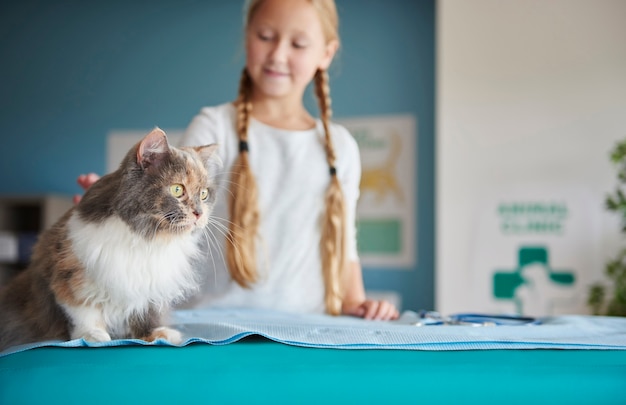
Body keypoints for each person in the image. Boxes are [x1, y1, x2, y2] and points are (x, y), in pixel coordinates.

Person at [77, 0, 399, 321]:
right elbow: (177, 222)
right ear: (247, 38)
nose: (278, 55)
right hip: (215, 329)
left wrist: (358, 302)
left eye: (298, 44)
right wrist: (124, 209)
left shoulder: (340, 147)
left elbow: (344, 246)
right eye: (265, 36)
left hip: (309, 331)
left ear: (326, 54)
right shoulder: (214, 127)